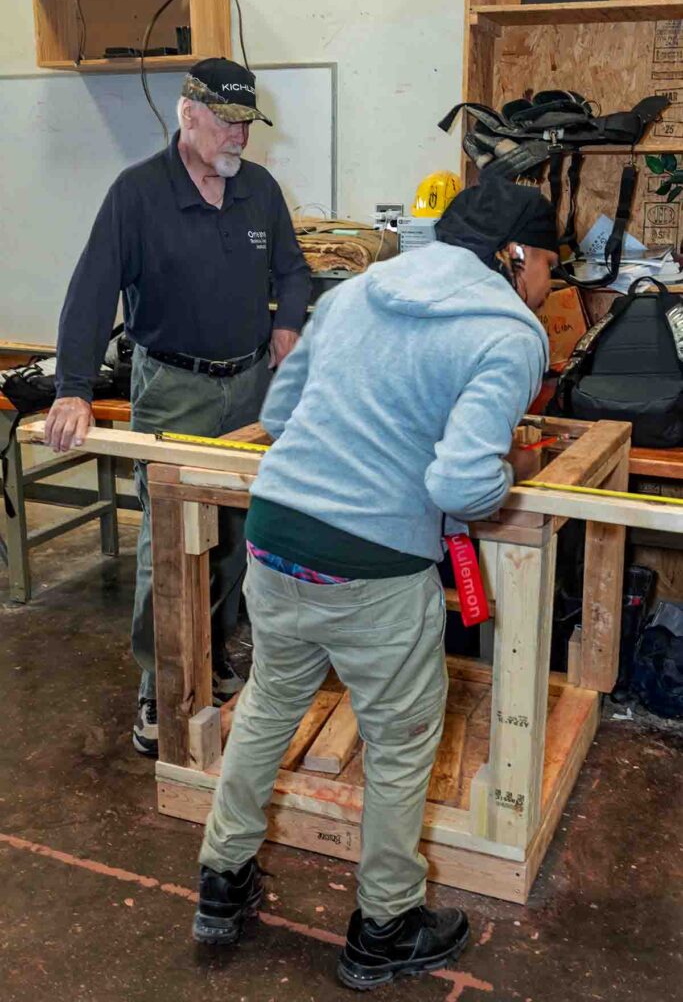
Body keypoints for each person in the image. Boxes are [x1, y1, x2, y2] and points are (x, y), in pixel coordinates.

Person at [191, 176, 558, 988]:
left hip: (276, 536)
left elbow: (282, 416)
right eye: (547, 269)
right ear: (517, 256)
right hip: (371, 567)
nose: (546, 287)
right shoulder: (508, 332)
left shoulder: (356, 291)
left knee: (267, 705)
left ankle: (221, 880)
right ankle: (385, 926)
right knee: (398, 747)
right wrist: (498, 483)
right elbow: (461, 487)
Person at [43, 58, 311, 757]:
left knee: (236, 532)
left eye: (247, 124)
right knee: (169, 542)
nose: (238, 138)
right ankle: (159, 680)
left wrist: (289, 322)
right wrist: (73, 388)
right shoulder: (136, 194)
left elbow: (291, 267)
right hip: (174, 388)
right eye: (225, 121)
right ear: (187, 113)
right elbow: (92, 290)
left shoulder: (259, 191)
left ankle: (214, 652)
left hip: (250, 385)